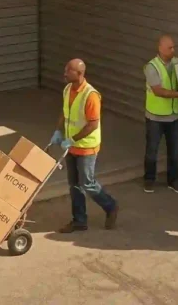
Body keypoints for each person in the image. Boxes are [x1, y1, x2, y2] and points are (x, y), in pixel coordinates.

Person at [49, 58, 119, 233]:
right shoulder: (67, 89)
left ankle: (110, 206)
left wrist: (72, 138)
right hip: (71, 147)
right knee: (74, 184)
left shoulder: (91, 95)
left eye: (69, 71)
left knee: (87, 183)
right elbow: (65, 113)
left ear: (79, 74)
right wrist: (58, 131)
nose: (65, 73)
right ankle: (79, 220)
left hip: (86, 147)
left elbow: (93, 124)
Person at [143, 34, 178, 194]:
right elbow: (158, 91)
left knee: (175, 151)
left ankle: (174, 180)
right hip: (155, 117)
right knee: (152, 150)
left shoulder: (176, 63)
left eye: (174, 47)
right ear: (160, 48)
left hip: (173, 116)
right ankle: (149, 179)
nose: (173, 50)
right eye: (170, 48)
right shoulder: (151, 67)